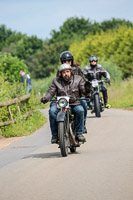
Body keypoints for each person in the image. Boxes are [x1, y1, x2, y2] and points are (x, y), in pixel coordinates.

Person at [41, 63, 86, 144]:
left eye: (67, 71)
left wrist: (88, 89)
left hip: (74, 103)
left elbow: (84, 90)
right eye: (63, 72)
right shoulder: (56, 81)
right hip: (60, 103)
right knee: (52, 111)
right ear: (61, 73)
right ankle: (55, 135)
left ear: (71, 72)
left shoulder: (78, 79)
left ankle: (79, 133)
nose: (66, 74)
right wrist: (46, 98)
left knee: (80, 110)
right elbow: (50, 92)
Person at [59, 51, 88, 133]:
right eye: (64, 61)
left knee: (84, 103)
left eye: (68, 61)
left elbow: (83, 81)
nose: (66, 62)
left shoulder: (77, 69)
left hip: (77, 95)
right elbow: (57, 83)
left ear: (71, 60)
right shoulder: (60, 71)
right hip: (64, 96)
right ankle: (59, 129)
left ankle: (83, 123)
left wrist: (85, 90)